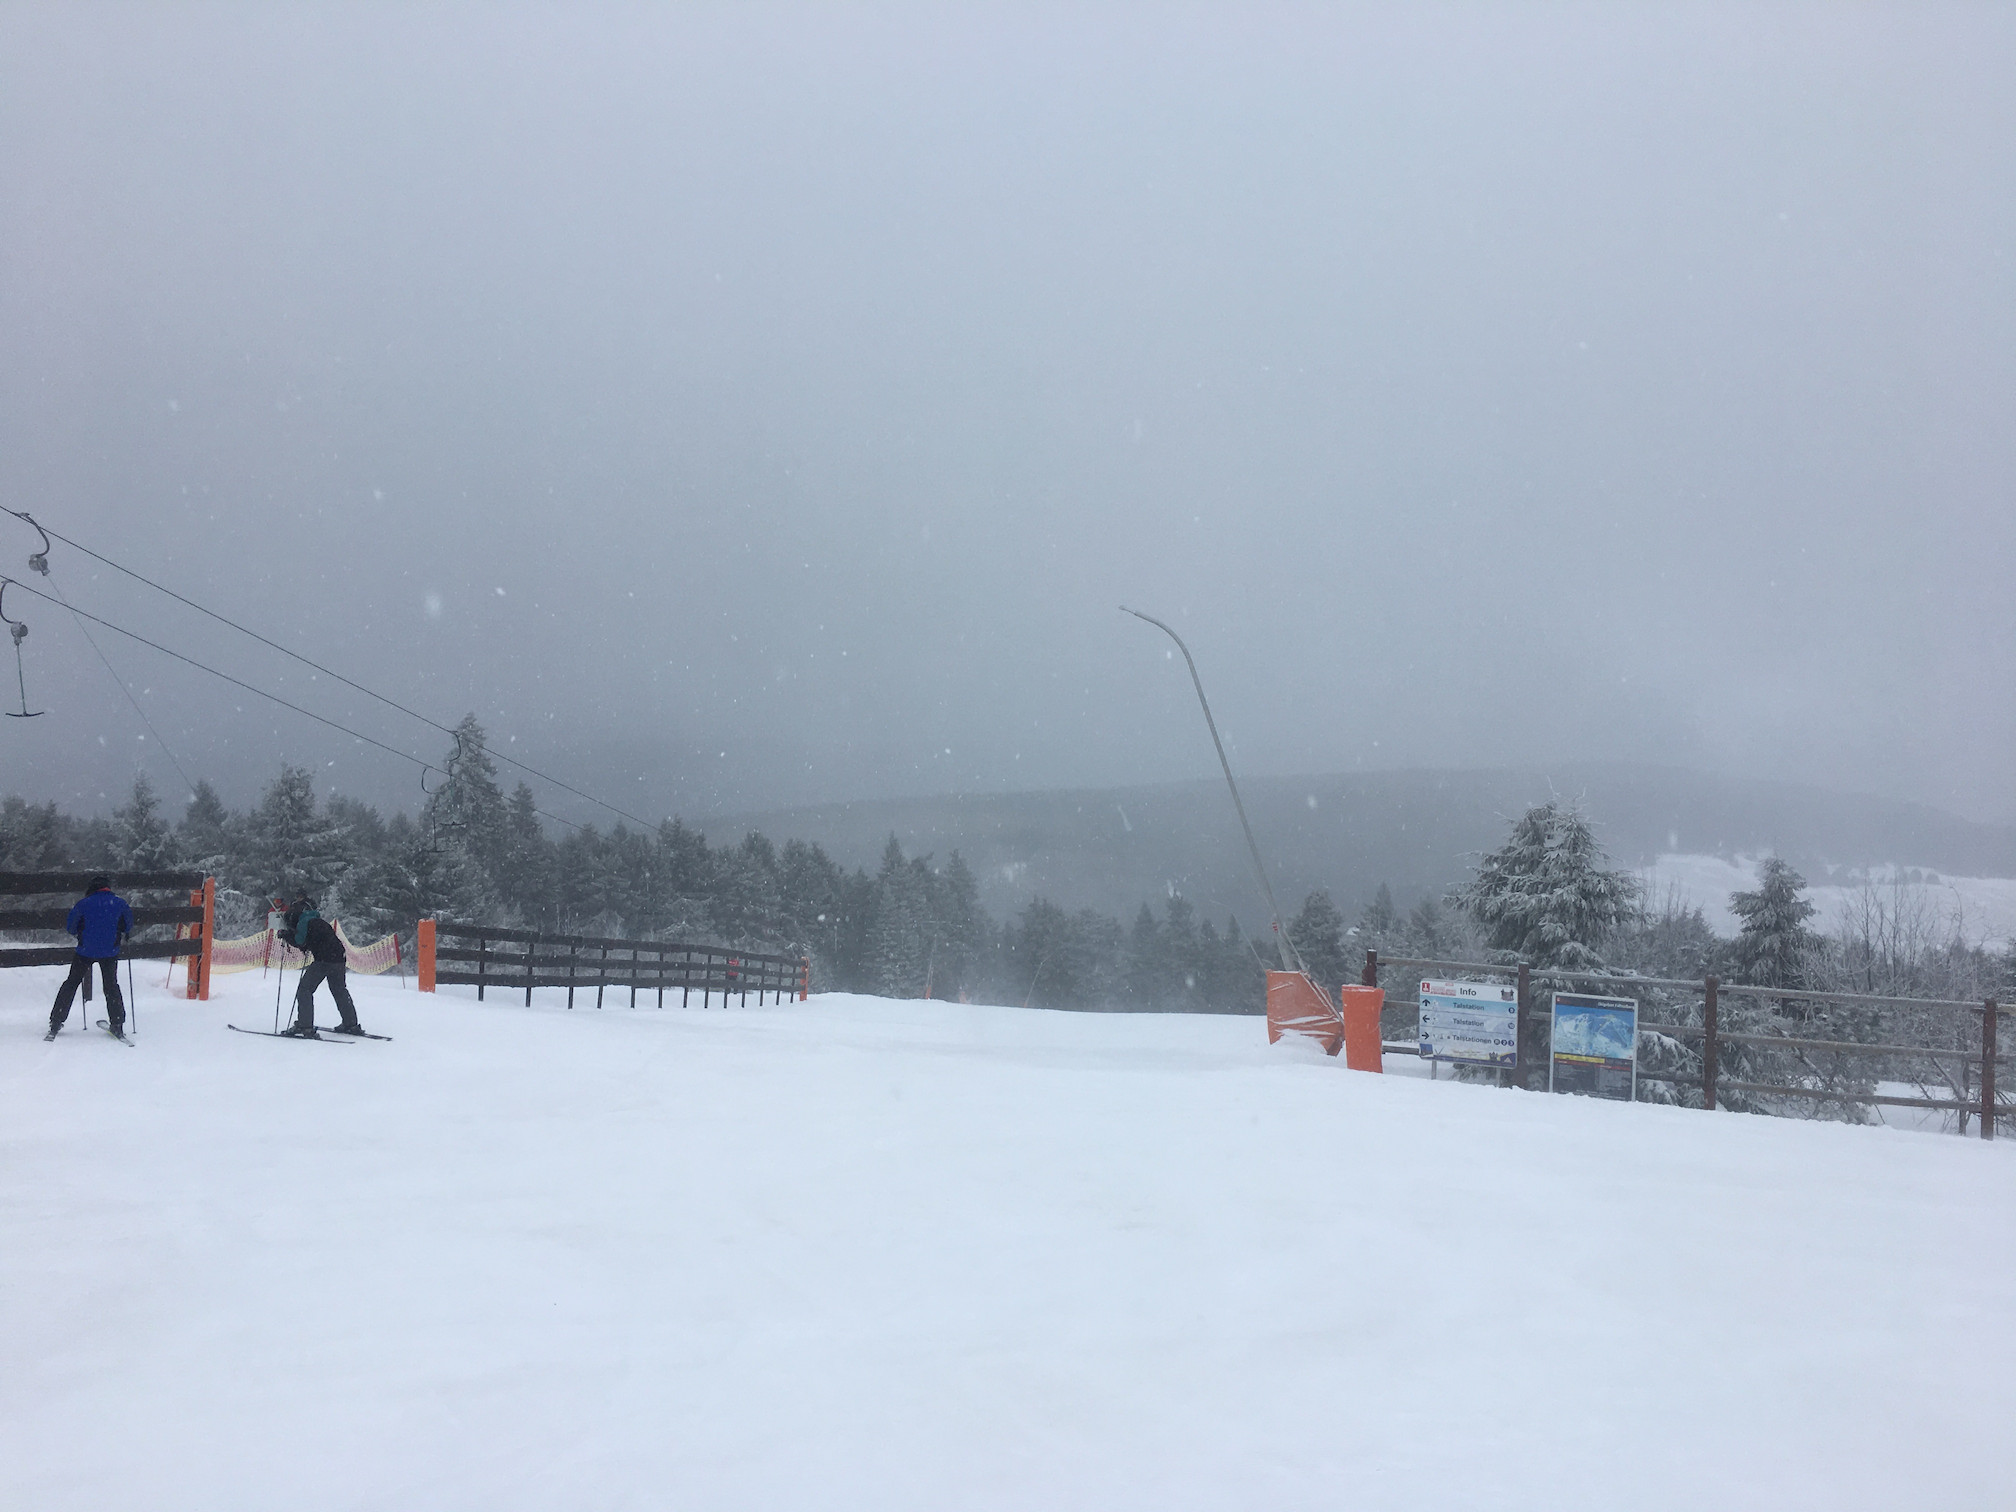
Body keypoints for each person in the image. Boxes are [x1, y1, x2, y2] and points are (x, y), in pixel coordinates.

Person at [48, 875, 133, 1038]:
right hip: (110, 951)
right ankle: (117, 1023)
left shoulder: (83, 904)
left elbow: (71, 927)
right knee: (111, 986)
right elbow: (127, 926)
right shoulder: (120, 903)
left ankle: (56, 1020)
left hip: (85, 951)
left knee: (71, 983)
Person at [277, 893, 366, 1038]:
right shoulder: (319, 921)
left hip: (324, 959)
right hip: (339, 957)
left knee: (305, 989)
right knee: (339, 990)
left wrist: (286, 935)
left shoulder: (303, 922)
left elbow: (300, 942)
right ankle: (351, 1024)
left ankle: (305, 1026)